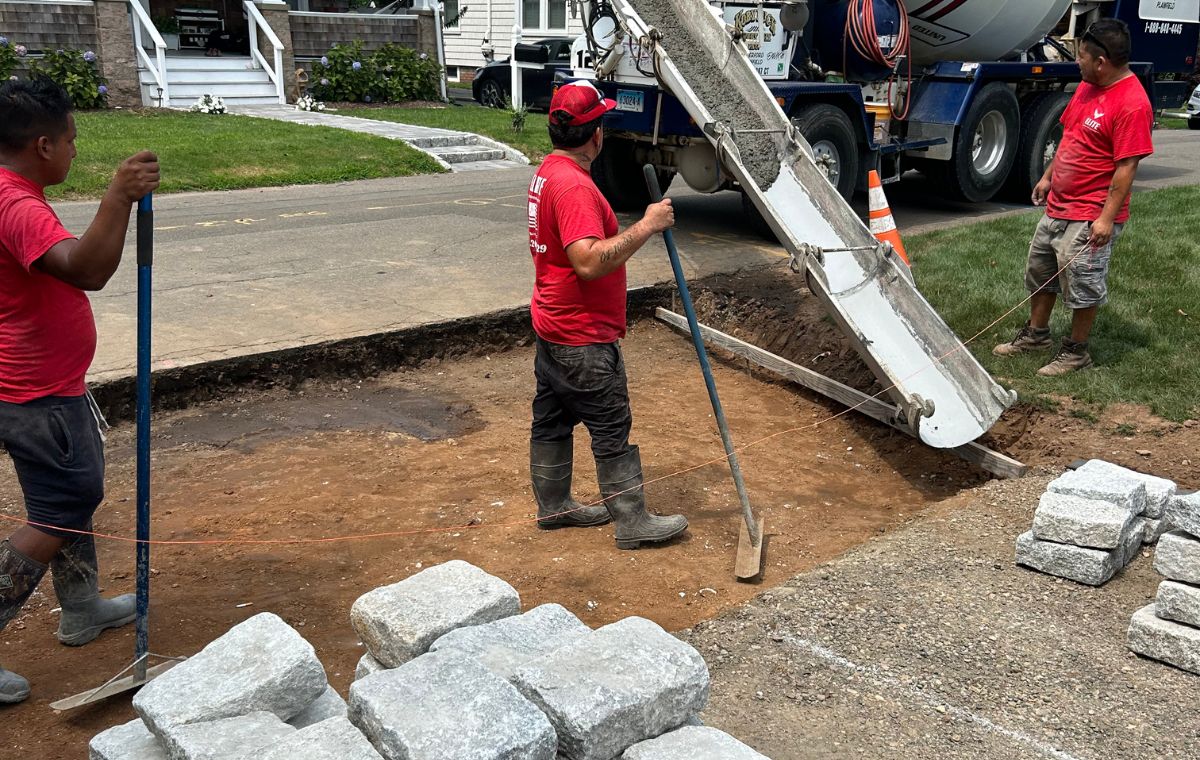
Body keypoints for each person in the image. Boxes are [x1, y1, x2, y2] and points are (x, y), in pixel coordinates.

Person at [0, 79, 160, 704]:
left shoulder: (15, 191)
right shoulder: (16, 206)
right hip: (34, 390)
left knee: (68, 491)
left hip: (41, 379)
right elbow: (85, 269)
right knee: (63, 504)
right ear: (42, 145)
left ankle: (82, 607)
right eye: (70, 140)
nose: (74, 149)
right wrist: (119, 195)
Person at [527, 80, 688, 549]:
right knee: (611, 426)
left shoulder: (548, 172)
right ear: (596, 134)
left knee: (552, 418)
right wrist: (648, 226)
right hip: (582, 335)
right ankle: (632, 521)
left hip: (554, 324)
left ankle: (554, 506)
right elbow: (589, 260)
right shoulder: (574, 186)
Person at [993, 19, 1153, 376]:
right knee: (1040, 270)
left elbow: (1127, 167)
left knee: (1082, 282)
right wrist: (1048, 177)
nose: (1076, 61)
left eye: (1081, 57)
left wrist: (1106, 219)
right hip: (1060, 204)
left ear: (1101, 62)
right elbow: (1070, 136)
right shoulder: (1087, 87)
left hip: (1091, 212)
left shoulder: (1132, 103)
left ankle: (1076, 353)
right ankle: (1036, 336)